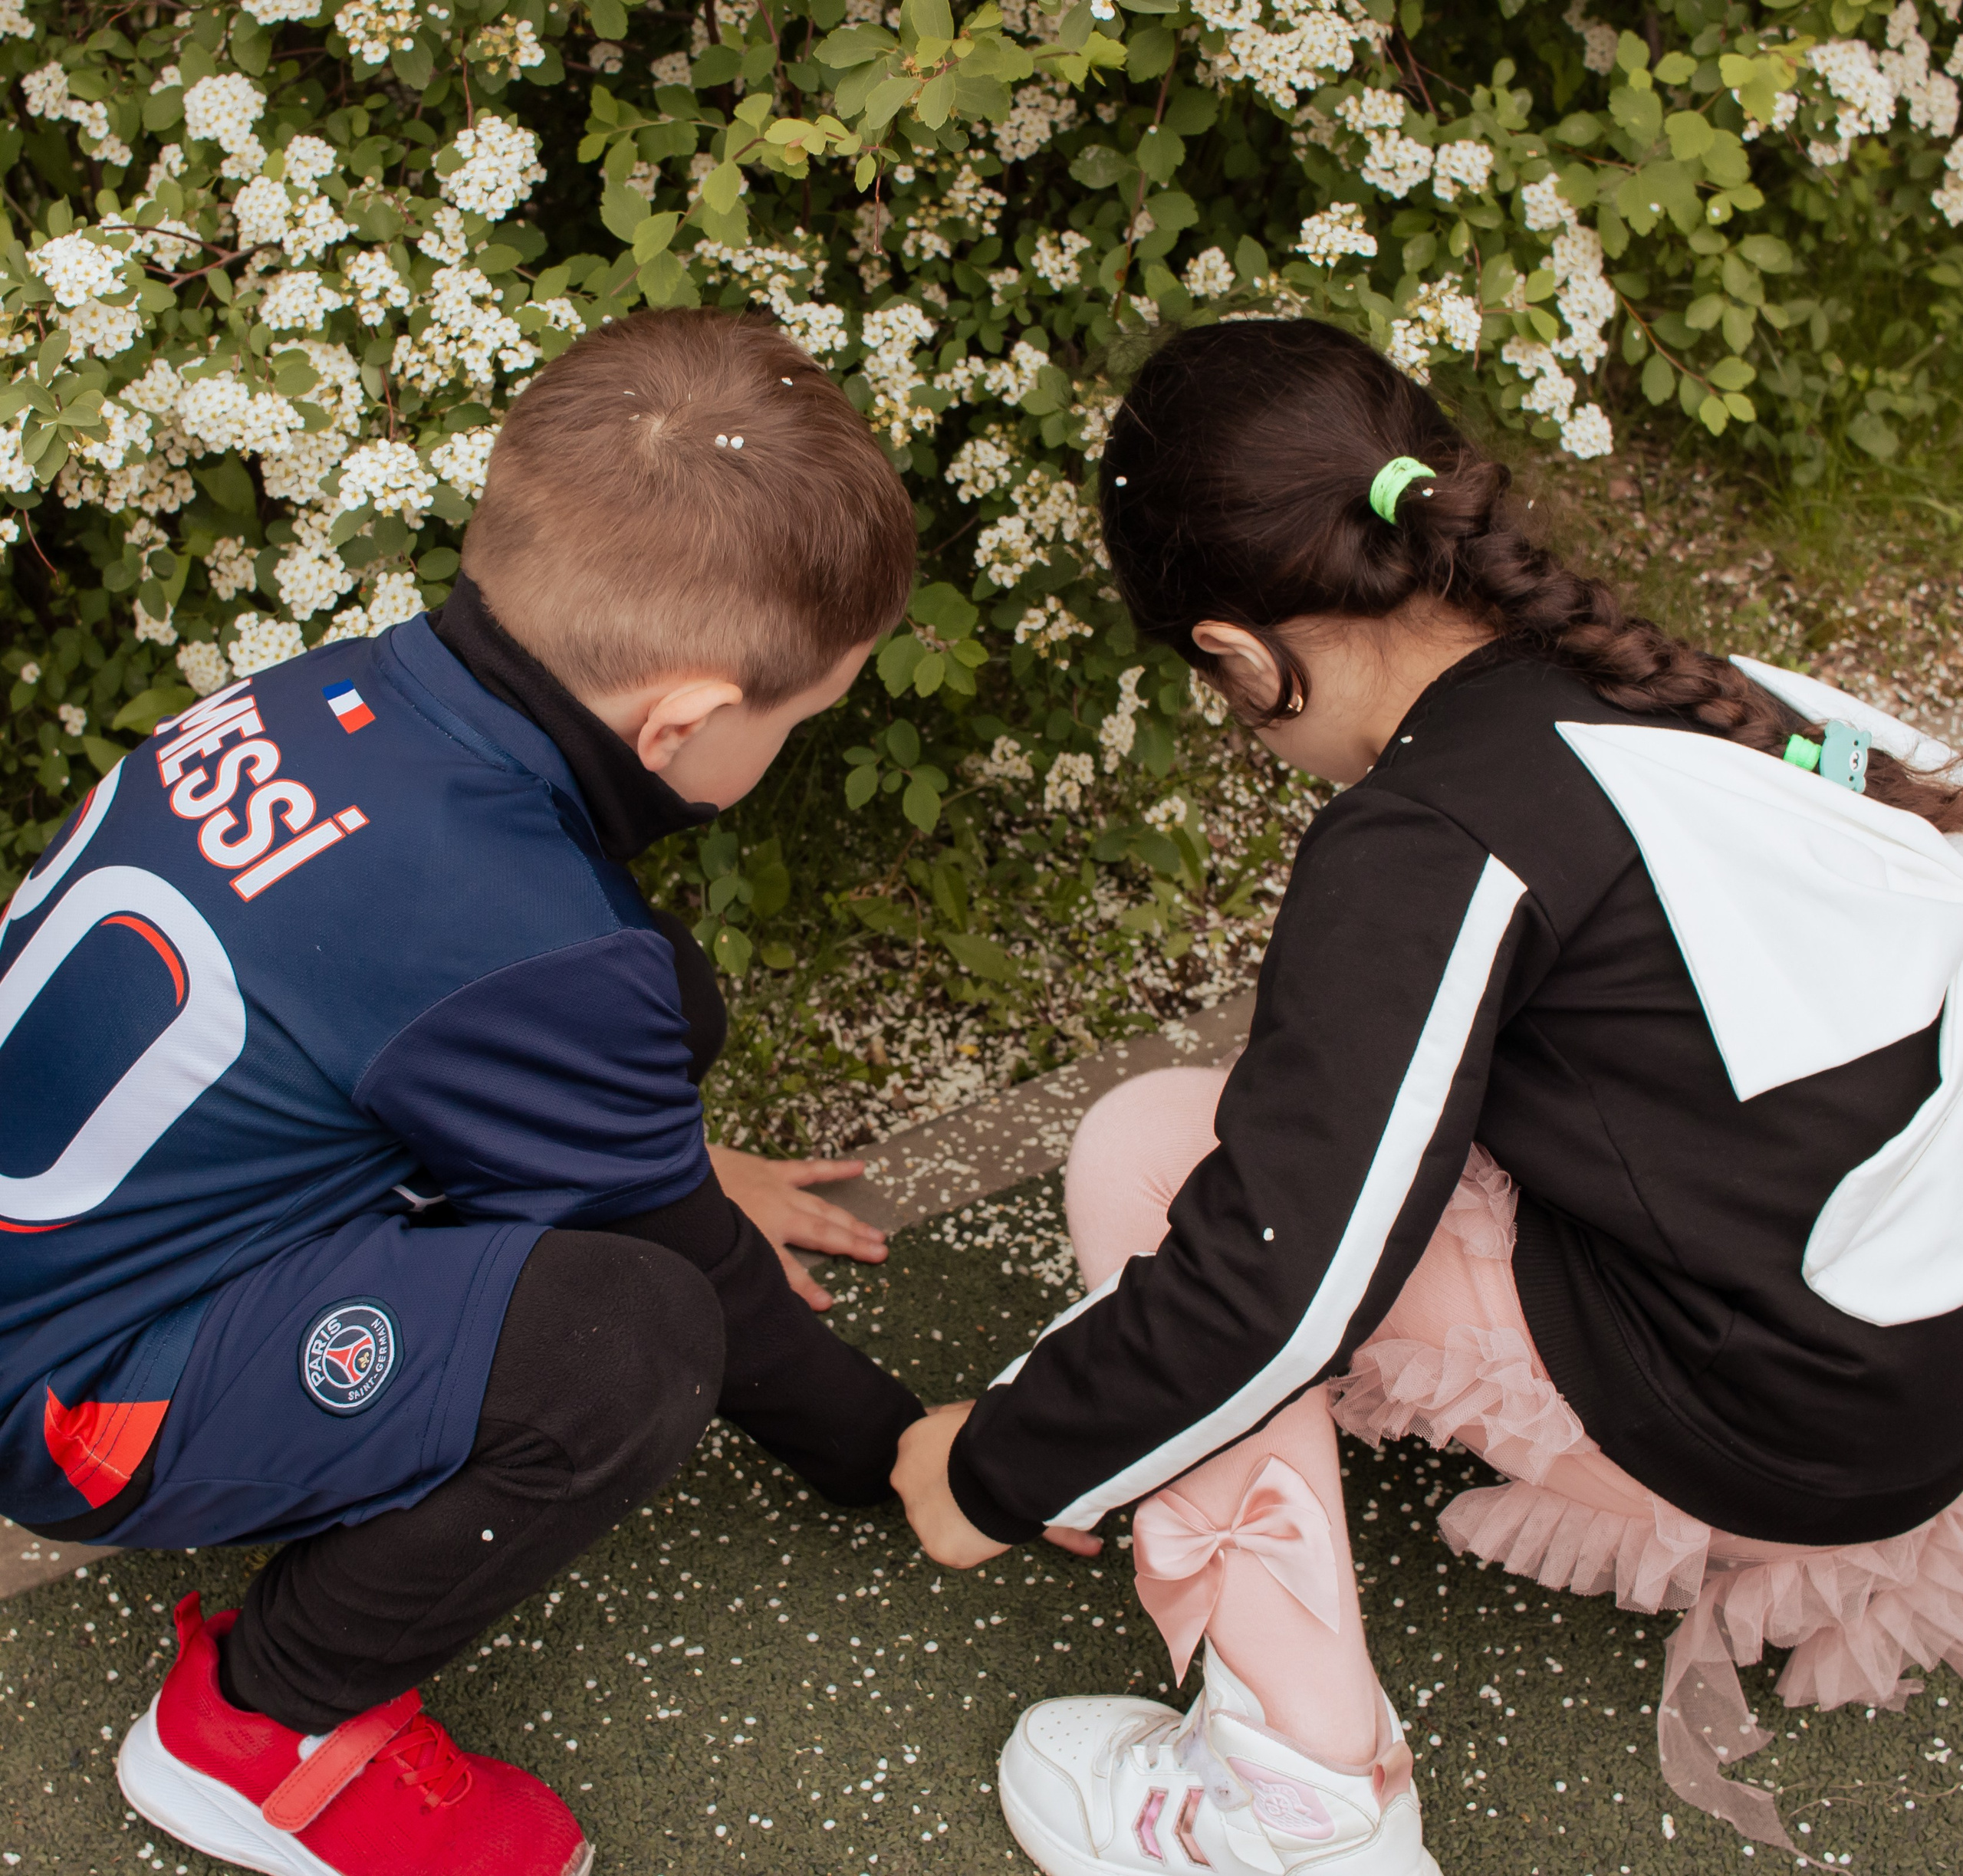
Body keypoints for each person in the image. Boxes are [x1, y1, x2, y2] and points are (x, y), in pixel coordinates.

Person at [891, 317, 1963, 1876]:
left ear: (1236, 657)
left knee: (1152, 1149)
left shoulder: (1432, 834)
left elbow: (1274, 1283)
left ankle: (1303, 1808)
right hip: (1910, 1359)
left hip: (1786, 1432)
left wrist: (996, 1465)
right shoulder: (1673, 682)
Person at [0, 307, 927, 1876]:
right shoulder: (529, 947)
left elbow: (428, 986)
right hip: (72, 1393)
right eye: (798, 721)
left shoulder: (351, 692)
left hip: (74, 1248)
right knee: (632, 1344)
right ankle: (259, 1724)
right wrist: (898, 1451)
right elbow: (705, 1288)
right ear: (688, 719)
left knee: (658, 1002)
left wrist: (673, 1160)